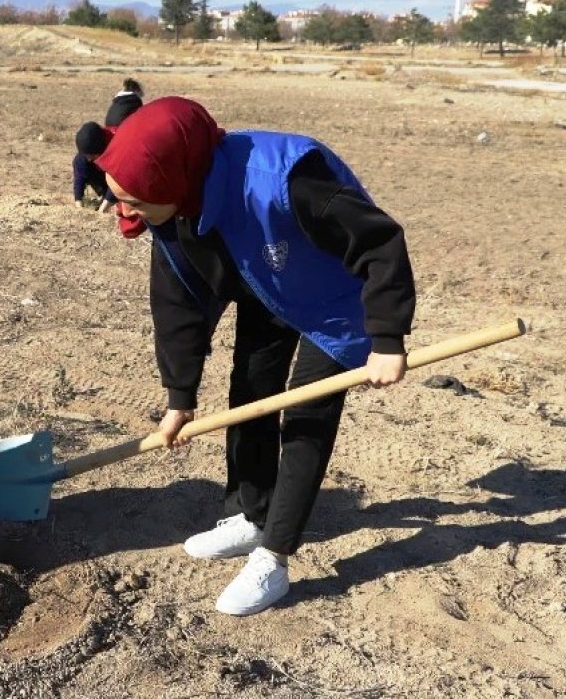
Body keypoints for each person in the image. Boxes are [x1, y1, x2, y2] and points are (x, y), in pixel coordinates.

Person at [96, 97, 416, 616]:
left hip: (337, 299)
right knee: (250, 388)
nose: (122, 213)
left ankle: (275, 556)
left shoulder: (286, 179)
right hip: (269, 284)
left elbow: (380, 243)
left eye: (130, 199)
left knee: (306, 413)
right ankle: (250, 514)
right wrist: (180, 396)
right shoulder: (172, 201)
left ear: (167, 182)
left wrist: (386, 338)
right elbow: (176, 303)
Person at [71, 79, 147, 213]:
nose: (89, 159)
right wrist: (78, 203)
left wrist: (103, 209)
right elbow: (80, 171)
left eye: (92, 156)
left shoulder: (117, 145)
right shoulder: (88, 150)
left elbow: (119, 177)